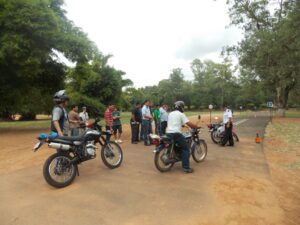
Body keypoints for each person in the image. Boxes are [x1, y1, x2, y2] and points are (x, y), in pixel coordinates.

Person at [166, 101, 201, 173]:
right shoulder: (181, 114)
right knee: (186, 149)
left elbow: (175, 122)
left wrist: (182, 125)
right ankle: (186, 168)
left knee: (177, 145)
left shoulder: (170, 114)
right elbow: (189, 123)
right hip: (176, 134)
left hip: (168, 133)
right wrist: (196, 126)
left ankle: (176, 155)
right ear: (181, 107)